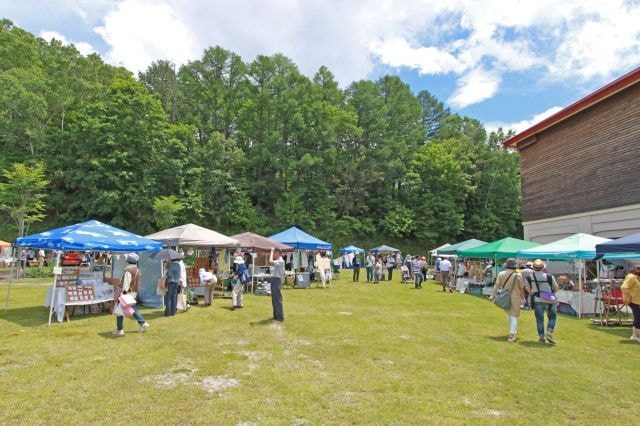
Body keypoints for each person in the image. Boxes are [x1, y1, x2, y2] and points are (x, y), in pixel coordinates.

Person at [488, 258, 525, 342]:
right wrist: (523, 297)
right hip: (516, 297)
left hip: (505, 296)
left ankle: (512, 332)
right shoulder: (518, 274)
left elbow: (496, 286)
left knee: (509, 314)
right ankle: (512, 334)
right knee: (514, 315)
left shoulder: (501, 274)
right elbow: (521, 288)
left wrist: (492, 296)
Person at [113, 253, 149, 336]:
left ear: (128, 261)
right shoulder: (137, 270)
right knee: (133, 309)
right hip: (133, 293)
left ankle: (120, 329)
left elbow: (126, 284)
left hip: (127, 293)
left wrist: (123, 293)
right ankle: (142, 323)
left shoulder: (128, 271)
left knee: (119, 311)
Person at [525, 259, 559, 344]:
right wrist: (551, 292)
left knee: (539, 319)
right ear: (543, 267)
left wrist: (534, 293)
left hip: (537, 300)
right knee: (552, 317)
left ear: (534, 268)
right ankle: (549, 332)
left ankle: (541, 337)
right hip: (549, 299)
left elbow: (528, 289)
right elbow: (555, 287)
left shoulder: (530, 277)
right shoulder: (549, 276)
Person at [621, 265, 640, 342]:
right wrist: (631, 295)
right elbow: (624, 287)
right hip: (635, 301)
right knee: (638, 319)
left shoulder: (636, 278)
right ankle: (638, 336)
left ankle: (634, 335)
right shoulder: (631, 277)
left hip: (637, 301)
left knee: (636, 318)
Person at [269, 248, 285, 322]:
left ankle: (280, 317)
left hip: (277, 280)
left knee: (277, 299)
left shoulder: (281, 261)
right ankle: (276, 316)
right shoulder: (277, 261)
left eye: (275, 253)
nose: (274, 254)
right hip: (274, 280)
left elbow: (270, 261)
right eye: (274, 252)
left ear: (279, 253)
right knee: (274, 299)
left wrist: (271, 251)